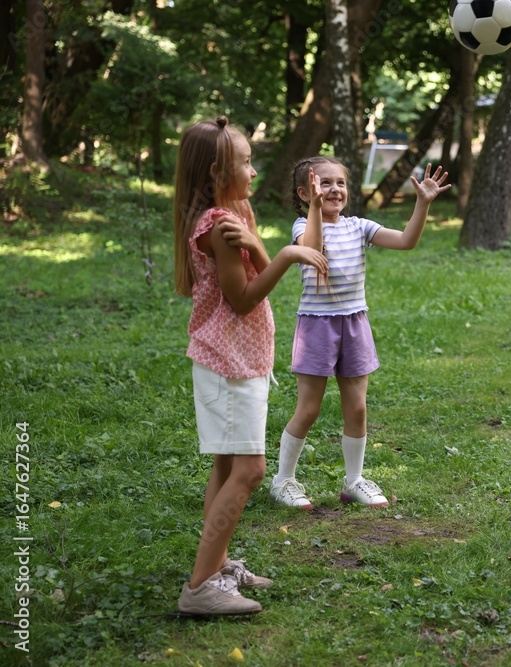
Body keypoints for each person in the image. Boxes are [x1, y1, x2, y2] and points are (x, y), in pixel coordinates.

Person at [173, 117, 328, 614]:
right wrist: (286, 255)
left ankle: (215, 567)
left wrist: (270, 250)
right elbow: (242, 299)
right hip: (229, 364)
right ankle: (200, 588)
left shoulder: (234, 210)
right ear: (218, 170)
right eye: (245, 161)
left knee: (226, 464)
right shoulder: (219, 226)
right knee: (252, 469)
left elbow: (256, 261)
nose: (254, 169)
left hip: (239, 359)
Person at [269, 157, 450, 511]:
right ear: (305, 193)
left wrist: (422, 204)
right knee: (309, 409)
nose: (334, 189)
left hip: (354, 322)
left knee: (358, 408)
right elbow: (312, 248)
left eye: (340, 182)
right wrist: (317, 210)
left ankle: (353, 481)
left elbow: (406, 241)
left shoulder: (359, 226)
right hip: (317, 325)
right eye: (324, 184)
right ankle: (283, 481)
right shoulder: (302, 225)